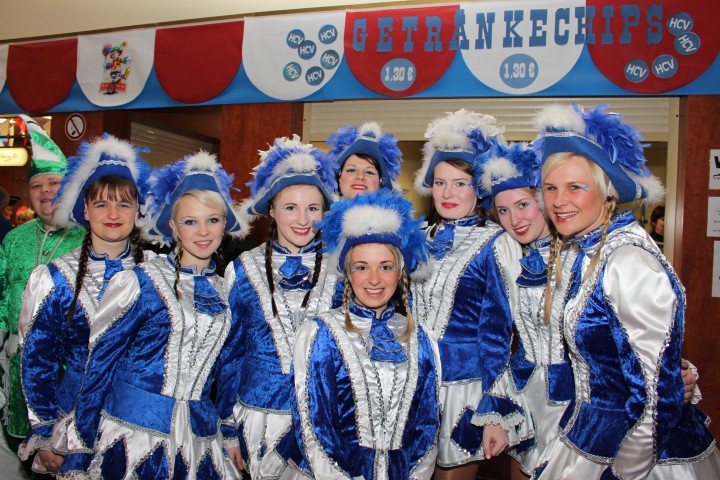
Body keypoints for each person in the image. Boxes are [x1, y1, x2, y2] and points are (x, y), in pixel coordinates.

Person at [533, 102, 720, 479]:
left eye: (575, 187)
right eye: (551, 188)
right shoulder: (590, 251)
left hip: (631, 450)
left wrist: (625, 472)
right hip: (591, 434)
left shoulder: (627, 261)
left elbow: (655, 397)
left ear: (607, 193)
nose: (558, 201)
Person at [54, 151, 249, 479]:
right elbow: (99, 367)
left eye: (212, 220)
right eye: (190, 221)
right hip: (132, 435)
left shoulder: (226, 289)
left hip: (200, 439)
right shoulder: (139, 281)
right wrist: (80, 446)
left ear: (224, 225)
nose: (203, 231)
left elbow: (230, 367)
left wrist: (228, 431)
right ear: (174, 226)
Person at [16, 134, 151, 474]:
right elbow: (37, 362)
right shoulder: (55, 278)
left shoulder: (160, 274)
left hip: (143, 432)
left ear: (138, 210)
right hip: (74, 430)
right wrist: (45, 433)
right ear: (85, 210)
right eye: (102, 204)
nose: (113, 213)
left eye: (124, 204)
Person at [293, 189, 441, 479]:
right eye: (362, 267)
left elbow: (428, 426)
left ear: (400, 272)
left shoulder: (422, 338)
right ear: (348, 273)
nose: (374, 279)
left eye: (386, 267)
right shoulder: (320, 334)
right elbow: (313, 424)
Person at [411, 109, 523, 479]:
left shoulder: (499, 243)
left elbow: (499, 333)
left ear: (479, 188)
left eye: (460, 183)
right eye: (440, 182)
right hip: (413, 382)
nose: (447, 193)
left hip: (465, 388)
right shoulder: (417, 237)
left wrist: (495, 405)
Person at [223, 135, 338, 478]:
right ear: (271, 210)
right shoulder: (242, 269)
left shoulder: (343, 269)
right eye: (290, 207)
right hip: (258, 420)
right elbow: (229, 354)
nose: (302, 219)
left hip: (323, 421)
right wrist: (227, 425)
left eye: (313, 208)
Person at [0, 115, 85, 469]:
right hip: (15, 367)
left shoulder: (90, 238)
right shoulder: (15, 239)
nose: (45, 191)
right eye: (37, 185)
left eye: (54, 182)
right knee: (18, 451)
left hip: (68, 375)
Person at [326, 121, 403, 198]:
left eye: (369, 172)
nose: (360, 176)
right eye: (351, 170)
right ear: (339, 177)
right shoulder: (320, 204)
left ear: (380, 181)